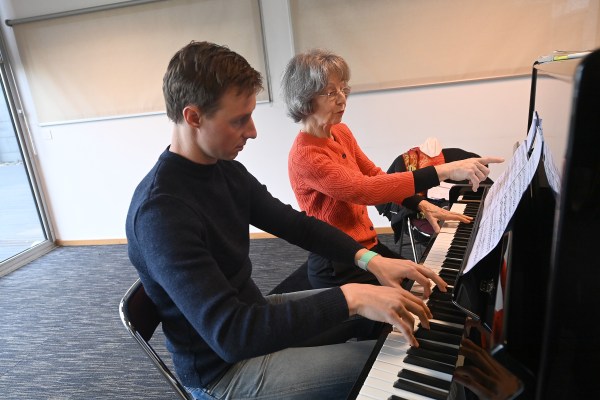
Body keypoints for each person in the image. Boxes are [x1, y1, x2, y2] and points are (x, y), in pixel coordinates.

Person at [126, 41, 449, 400]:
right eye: (239, 120)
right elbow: (232, 335)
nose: (252, 131)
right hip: (224, 370)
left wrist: (371, 260)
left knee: (394, 310)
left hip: (252, 316)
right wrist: (350, 297)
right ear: (193, 117)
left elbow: (298, 225)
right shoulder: (161, 213)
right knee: (391, 361)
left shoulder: (225, 172)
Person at [281, 49, 504, 288]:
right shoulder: (306, 156)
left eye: (344, 89)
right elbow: (365, 190)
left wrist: (418, 203)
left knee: (427, 284)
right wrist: (444, 171)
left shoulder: (340, 132)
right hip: (337, 264)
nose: (342, 99)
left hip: (366, 248)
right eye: (331, 92)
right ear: (305, 98)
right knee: (414, 299)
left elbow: (375, 175)